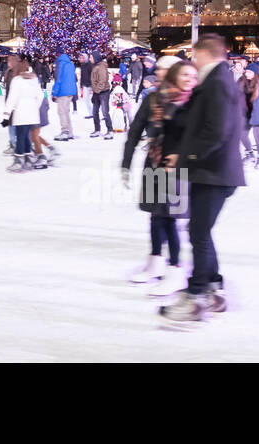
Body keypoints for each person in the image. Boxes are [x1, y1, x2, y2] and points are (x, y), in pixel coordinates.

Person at [160, 34, 246, 326]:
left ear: (203, 53)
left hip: (214, 171)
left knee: (197, 231)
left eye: (194, 56)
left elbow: (216, 131)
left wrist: (188, 158)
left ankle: (198, 295)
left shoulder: (218, 83)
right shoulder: (215, 81)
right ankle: (210, 287)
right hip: (212, 170)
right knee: (200, 230)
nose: (192, 61)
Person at [122, 56, 190, 297]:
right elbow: (135, 131)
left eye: (163, 70)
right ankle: (155, 262)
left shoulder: (185, 100)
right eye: (157, 69)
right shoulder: (151, 99)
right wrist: (126, 162)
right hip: (153, 163)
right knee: (154, 216)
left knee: (170, 219)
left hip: (176, 168)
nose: (157, 73)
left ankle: (175, 269)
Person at [4, 57, 45, 171]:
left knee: (20, 136)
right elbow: (41, 96)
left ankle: (18, 160)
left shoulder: (17, 80)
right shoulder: (34, 79)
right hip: (32, 114)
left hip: (21, 113)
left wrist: (7, 114)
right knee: (26, 136)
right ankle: (28, 158)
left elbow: (12, 98)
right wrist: (34, 106)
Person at [52, 50, 78, 141]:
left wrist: (54, 93)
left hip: (62, 91)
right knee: (66, 112)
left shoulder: (60, 63)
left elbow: (58, 79)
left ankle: (65, 131)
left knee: (61, 112)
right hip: (70, 91)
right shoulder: (70, 63)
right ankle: (70, 132)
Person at [89, 55, 113, 138]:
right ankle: (97, 130)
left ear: (95, 58)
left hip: (103, 93)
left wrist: (96, 92)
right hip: (97, 92)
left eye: (91, 57)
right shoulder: (96, 66)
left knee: (105, 112)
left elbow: (102, 81)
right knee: (95, 112)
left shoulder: (101, 67)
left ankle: (110, 131)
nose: (90, 59)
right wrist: (95, 93)